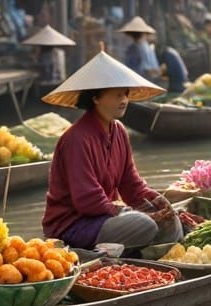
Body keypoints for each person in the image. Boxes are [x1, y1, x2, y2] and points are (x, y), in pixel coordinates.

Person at [40, 50, 183, 250]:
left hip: (102, 217)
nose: (124, 100)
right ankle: (134, 253)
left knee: (171, 220)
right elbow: (87, 201)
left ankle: (140, 252)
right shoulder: (76, 138)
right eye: (117, 95)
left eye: (125, 94)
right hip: (73, 225)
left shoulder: (119, 131)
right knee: (144, 224)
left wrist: (158, 200)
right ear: (96, 98)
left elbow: (131, 185)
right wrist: (129, 212)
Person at [119, 16, 161, 83]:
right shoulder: (146, 48)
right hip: (144, 82)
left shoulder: (134, 48)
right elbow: (153, 71)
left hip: (137, 82)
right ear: (145, 33)